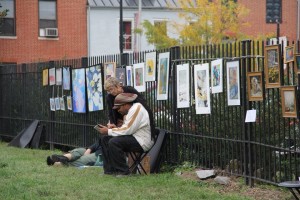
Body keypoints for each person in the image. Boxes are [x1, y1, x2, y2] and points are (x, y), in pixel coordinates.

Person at [97, 93, 154, 176]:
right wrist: (114, 128)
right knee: (105, 139)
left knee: (114, 142)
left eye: (119, 108)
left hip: (142, 141)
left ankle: (123, 172)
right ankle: (109, 171)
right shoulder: (132, 110)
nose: (118, 110)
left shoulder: (137, 108)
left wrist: (109, 131)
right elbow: (127, 128)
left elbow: (127, 129)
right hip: (134, 137)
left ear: (126, 104)